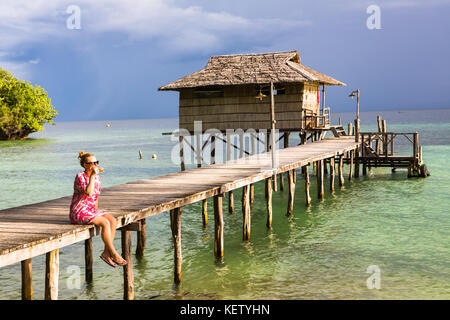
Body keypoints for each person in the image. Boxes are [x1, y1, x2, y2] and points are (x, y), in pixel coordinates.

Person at [69, 151, 127, 268]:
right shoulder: (80, 176)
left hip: (90, 210)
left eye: (96, 162)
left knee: (112, 220)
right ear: (85, 165)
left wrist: (96, 212)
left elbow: (95, 197)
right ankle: (114, 253)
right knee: (104, 223)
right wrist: (92, 177)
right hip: (79, 211)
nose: (95, 165)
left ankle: (106, 252)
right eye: (92, 163)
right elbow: (89, 193)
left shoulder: (98, 178)